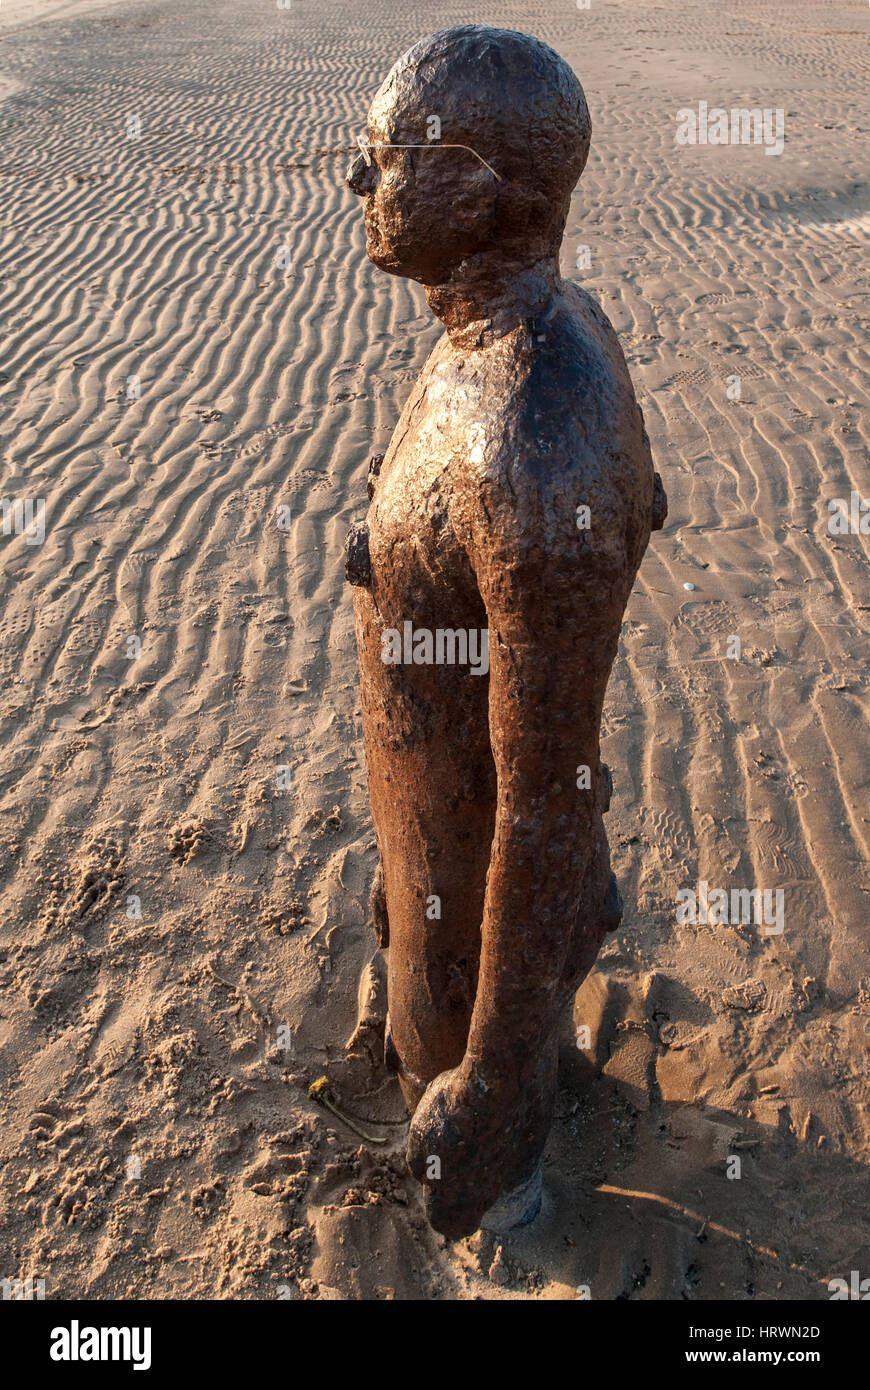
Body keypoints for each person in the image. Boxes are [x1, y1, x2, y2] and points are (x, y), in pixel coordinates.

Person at [344, 24, 666, 1239]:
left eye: (381, 159)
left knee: (454, 1114)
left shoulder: (533, 435)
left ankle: (523, 1185)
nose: (356, 182)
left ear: (471, 192)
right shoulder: (490, 337)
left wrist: (490, 1091)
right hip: (434, 872)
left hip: (477, 947)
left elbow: (548, 793)